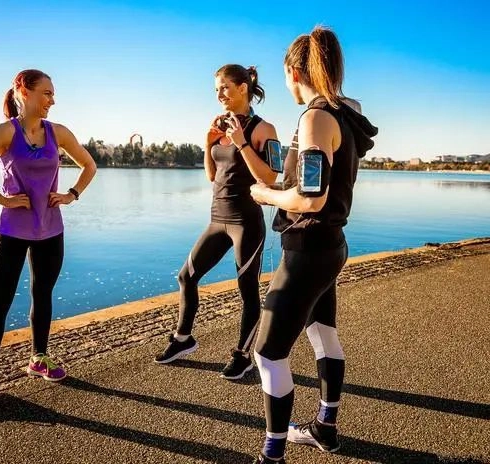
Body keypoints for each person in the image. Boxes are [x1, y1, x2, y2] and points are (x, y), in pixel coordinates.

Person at [249, 27, 378, 463]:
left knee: (267, 354)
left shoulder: (315, 117)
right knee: (323, 335)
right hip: (331, 245)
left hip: (308, 250)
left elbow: (310, 197)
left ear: (293, 71)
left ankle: (273, 453)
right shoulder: (341, 113)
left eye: (285, 75)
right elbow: (305, 178)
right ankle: (325, 428)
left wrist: (266, 196)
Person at [0, 69, 97, 412]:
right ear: (24, 91)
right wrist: (2, 199)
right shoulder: (5, 132)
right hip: (11, 231)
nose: (53, 100)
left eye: (53, 94)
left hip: (50, 229)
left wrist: (72, 194)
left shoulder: (58, 132)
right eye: (47, 93)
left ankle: (39, 358)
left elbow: (89, 165)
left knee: (42, 294)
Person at [155, 64, 280, 380]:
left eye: (224, 87)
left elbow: (270, 176)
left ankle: (243, 355)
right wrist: (208, 139)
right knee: (187, 277)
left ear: (242, 88)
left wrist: (241, 142)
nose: (219, 94)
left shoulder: (264, 129)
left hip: (246, 221)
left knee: (247, 288)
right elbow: (212, 176)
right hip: (217, 218)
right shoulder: (219, 127)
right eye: (215, 90)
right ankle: (183, 339)